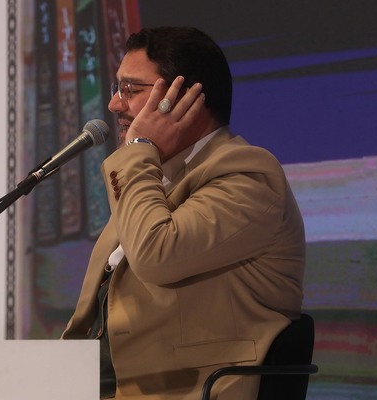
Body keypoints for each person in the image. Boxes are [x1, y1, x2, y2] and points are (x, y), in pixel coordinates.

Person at [62, 26, 306, 400]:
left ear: (184, 97)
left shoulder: (249, 174)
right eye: (116, 88)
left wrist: (140, 145)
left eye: (129, 89)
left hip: (189, 391)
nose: (114, 104)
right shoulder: (156, 174)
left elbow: (155, 255)